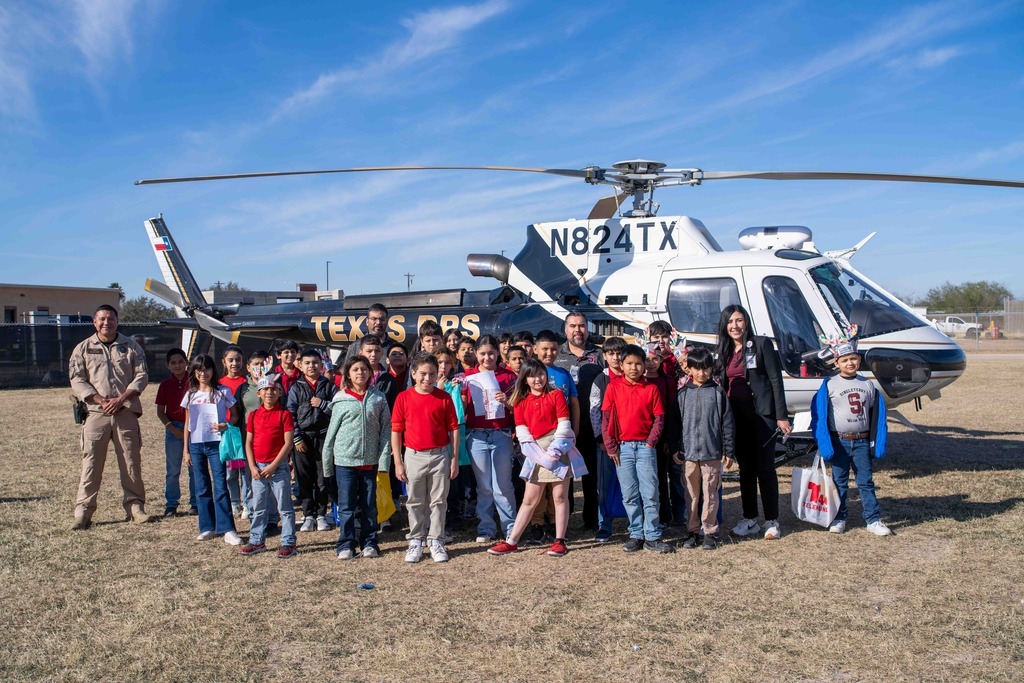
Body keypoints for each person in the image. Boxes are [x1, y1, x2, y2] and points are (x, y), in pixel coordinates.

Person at [488, 360, 585, 557]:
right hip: (535, 451)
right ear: (525, 379)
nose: (537, 379)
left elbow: (564, 426)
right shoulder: (520, 402)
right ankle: (512, 541)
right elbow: (523, 435)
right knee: (529, 499)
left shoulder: (556, 395)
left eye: (540, 374)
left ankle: (560, 541)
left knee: (560, 496)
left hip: (559, 447)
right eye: (532, 376)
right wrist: (543, 457)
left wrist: (555, 452)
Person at [68, 305, 152, 529]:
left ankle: (135, 506)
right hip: (96, 414)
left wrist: (121, 398)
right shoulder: (83, 349)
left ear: (117, 321)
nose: (107, 323)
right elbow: (77, 379)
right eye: (102, 319)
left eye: (111, 319)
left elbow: (142, 375)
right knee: (91, 463)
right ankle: (83, 512)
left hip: (125, 412)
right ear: (94, 322)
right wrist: (99, 400)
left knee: (131, 462)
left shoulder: (131, 347)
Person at [715, 305, 791, 541]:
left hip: (762, 415)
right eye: (730, 322)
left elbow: (775, 380)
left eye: (739, 320)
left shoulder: (760, 344)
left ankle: (771, 521)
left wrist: (781, 415)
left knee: (765, 468)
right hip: (736, 417)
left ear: (746, 322)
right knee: (745, 469)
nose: (735, 326)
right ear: (724, 326)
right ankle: (750, 519)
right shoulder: (724, 350)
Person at [811, 328, 892, 536]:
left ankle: (873, 519)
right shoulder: (829, 385)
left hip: (862, 441)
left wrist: (877, 440)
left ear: (859, 360)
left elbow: (876, 415)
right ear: (836, 363)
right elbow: (819, 414)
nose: (850, 363)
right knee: (839, 482)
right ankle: (839, 517)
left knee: (865, 481)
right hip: (840, 441)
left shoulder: (868, 385)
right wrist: (824, 441)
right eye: (845, 360)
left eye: (853, 359)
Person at [601, 344, 672, 553]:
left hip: (645, 448)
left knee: (650, 493)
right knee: (629, 494)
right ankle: (636, 533)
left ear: (644, 366)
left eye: (638, 364)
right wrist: (611, 446)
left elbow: (659, 418)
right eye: (629, 363)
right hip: (622, 449)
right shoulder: (613, 387)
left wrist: (651, 443)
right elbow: (605, 419)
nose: (634, 368)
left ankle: (652, 535)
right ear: (621, 365)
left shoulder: (651, 389)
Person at [391, 353, 460, 563]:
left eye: (432, 374)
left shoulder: (444, 398)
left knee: (438, 501)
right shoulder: (403, 398)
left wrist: (454, 458)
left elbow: (454, 429)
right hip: (413, 456)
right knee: (415, 501)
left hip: (440, 455)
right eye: (422, 374)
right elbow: (396, 430)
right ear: (413, 374)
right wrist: (398, 462)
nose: (427, 379)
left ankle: (436, 539)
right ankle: (416, 539)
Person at [323, 357, 393, 559]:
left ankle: (369, 542)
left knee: (369, 505)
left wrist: (383, 462)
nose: (360, 373)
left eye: (363, 369)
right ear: (348, 374)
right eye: (355, 369)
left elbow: (386, 430)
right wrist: (328, 466)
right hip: (345, 462)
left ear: (370, 373)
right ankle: (345, 543)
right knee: (346, 506)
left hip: (370, 461)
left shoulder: (378, 398)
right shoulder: (340, 399)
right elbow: (331, 434)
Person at [673, 347, 734, 550]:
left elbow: (727, 423)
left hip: (712, 453)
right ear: (688, 369)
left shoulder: (718, 393)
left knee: (711, 493)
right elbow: (676, 423)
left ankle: (710, 531)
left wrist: (728, 450)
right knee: (691, 494)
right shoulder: (682, 394)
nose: (701, 373)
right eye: (697, 369)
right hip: (688, 454)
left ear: (711, 369)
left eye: (706, 369)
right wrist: (676, 447)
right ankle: (692, 531)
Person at [463, 334, 518, 543]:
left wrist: (507, 402)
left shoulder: (508, 376)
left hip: (500, 434)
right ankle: (486, 527)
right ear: (476, 354)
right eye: (483, 353)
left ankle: (510, 526)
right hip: (476, 435)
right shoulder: (467, 377)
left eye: (491, 353)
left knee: (503, 485)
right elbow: (462, 406)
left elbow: (518, 407)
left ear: (498, 353)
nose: (487, 358)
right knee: (484, 485)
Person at [181, 354, 241, 545]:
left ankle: (227, 528)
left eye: (206, 368)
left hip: (217, 444)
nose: (203, 373)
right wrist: (186, 450)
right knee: (201, 485)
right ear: (194, 372)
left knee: (221, 485)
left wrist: (225, 425)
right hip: (196, 444)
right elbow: (187, 423)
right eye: (198, 369)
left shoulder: (222, 392)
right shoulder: (191, 394)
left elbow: (235, 416)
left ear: (213, 370)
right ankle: (207, 526)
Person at [528, 329, 580, 542]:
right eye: (544, 349)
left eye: (553, 349)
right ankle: (537, 523)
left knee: (558, 483)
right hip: (537, 440)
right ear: (535, 350)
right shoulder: (530, 373)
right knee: (538, 483)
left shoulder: (564, 373)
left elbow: (574, 404)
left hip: (560, 438)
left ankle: (555, 524)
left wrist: (574, 432)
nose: (549, 353)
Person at [554, 312, 605, 530]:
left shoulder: (599, 354)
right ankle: (565, 519)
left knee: (591, 476)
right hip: (563, 427)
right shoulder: (557, 355)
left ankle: (592, 519)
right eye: (573, 326)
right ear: (565, 329)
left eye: (582, 325)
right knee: (563, 475)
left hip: (592, 426)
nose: (578, 330)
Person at [239, 375, 298, 558]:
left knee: (285, 508)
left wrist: (274, 466)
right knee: (259, 507)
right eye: (265, 389)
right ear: (259, 393)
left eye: (273, 389)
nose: (269, 393)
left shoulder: (284, 414)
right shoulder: (254, 415)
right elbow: (248, 443)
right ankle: (257, 540)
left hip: (278, 469)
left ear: (279, 392)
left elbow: (288, 443)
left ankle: (288, 542)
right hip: (258, 468)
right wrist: (252, 466)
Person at [286, 347, 337, 533]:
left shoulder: (330, 386)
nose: (311, 366)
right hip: (303, 438)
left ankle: (322, 513)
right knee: (304, 477)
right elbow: (290, 413)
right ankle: (308, 514)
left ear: (321, 365)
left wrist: (323, 404)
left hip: (324, 435)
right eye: (307, 363)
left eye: (315, 363)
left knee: (323, 477)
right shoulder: (296, 387)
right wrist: (297, 437)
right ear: (300, 366)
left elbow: (338, 409)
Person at [588, 336, 627, 542]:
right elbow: (594, 411)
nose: (616, 357)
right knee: (604, 484)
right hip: (606, 442)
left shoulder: (634, 375)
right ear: (604, 356)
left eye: (619, 352)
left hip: (630, 441)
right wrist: (600, 439)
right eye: (611, 353)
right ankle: (604, 524)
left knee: (631, 483)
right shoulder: (600, 379)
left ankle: (634, 522)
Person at [155, 347, 196, 517]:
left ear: (187, 363)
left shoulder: (194, 382)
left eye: (181, 362)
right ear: (167, 366)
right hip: (173, 431)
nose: (177, 365)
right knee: (172, 469)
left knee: (194, 467)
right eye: (173, 363)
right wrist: (172, 428)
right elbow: (160, 411)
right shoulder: (165, 385)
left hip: (193, 429)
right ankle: (171, 504)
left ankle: (196, 502)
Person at [435, 347, 471, 531]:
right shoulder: (430, 385)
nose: (443, 366)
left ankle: (455, 515)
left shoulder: (458, 382)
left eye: (447, 362)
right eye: (440, 362)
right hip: (437, 435)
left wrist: (460, 392)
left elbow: (462, 409)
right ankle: (439, 517)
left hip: (456, 432)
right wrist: (439, 389)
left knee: (454, 476)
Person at [219, 344, 249, 519]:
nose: (234, 363)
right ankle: (234, 502)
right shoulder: (219, 384)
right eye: (230, 360)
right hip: (225, 433)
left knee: (245, 470)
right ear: (224, 362)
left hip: (243, 433)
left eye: (238, 360)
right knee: (230, 471)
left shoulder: (247, 383)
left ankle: (247, 503)